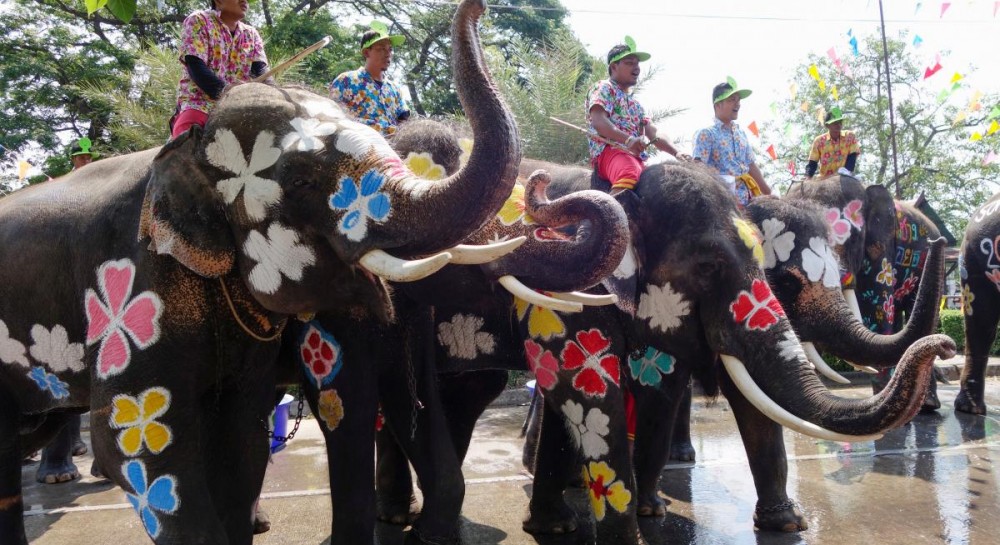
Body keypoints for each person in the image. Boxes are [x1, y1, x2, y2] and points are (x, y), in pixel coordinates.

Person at [586, 36, 689, 195]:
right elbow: (598, 120)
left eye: (637, 64)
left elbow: (653, 133)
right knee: (629, 172)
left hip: (636, 158)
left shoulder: (636, 105)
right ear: (614, 66)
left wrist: (677, 153)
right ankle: (606, 218)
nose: (636, 68)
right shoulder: (604, 88)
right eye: (629, 63)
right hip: (610, 153)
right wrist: (627, 140)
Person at [171, 0, 269, 139]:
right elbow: (195, 66)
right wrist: (230, 94)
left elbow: (262, 71)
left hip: (243, 108)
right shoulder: (198, 20)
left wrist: (275, 97)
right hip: (201, 104)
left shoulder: (251, 34)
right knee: (185, 137)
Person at [693, 77, 772, 206]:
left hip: (750, 200)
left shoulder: (741, 133)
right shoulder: (706, 134)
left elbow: (751, 165)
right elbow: (698, 169)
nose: (738, 104)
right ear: (718, 105)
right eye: (732, 100)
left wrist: (769, 193)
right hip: (722, 204)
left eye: (739, 100)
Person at [330, 21, 411, 136]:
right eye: (381, 49)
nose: (388, 53)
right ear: (366, 52)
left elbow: (404, 122)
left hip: (392, 148)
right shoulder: (346, 80)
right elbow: (331, 117)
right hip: (358, 146)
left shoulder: (395, 89)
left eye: (390, 49)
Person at [806, 107, 860, 179]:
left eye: (840, 122)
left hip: (845, 176)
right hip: (824, 179)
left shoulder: (849, 136)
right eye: (835, 123)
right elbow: (812, 162)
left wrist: (847, 171)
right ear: (827, 125)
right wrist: (808, 176)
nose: (838, 125)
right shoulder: (819, 141)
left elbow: (852, 156)